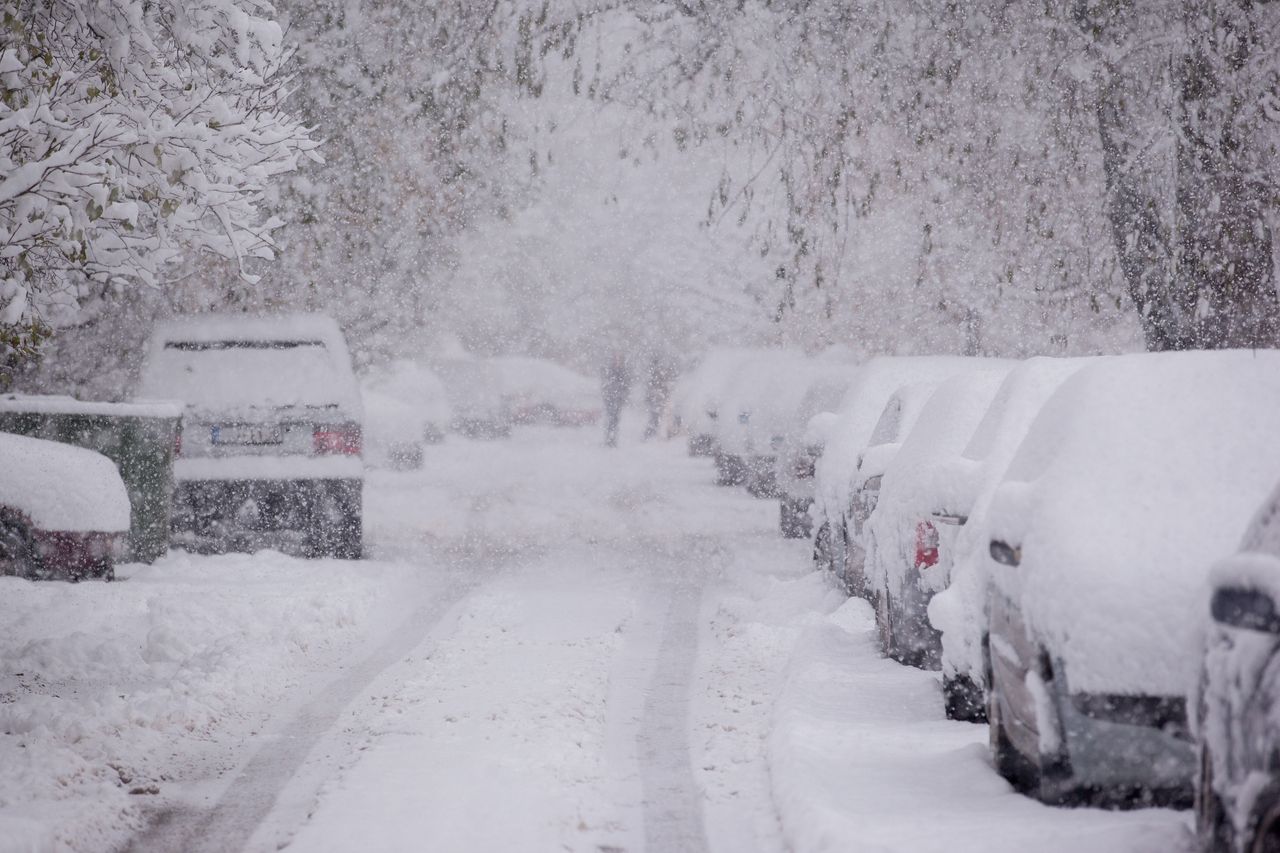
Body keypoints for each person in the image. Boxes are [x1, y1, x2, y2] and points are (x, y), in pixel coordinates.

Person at [601, 351, 632, 447]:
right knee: (611, 419)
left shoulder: (623, 371)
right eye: (615, 358)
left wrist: (623, 395)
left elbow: (626, 385)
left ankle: (612, 439)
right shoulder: (610, 370)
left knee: (615, 419)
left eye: (619, 358)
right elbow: (605, 383)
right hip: (610, 398)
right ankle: (609, 439)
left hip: (618, 399)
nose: (617, 361)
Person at [643, 353, 676, 439]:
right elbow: (656, 388)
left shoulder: (656, 374)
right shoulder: (656, 375)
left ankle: (651, 434)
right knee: (656, 417)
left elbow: (661, 388)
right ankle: (650, 435)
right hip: (656, 400)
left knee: (657, 417)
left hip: (657, 400)